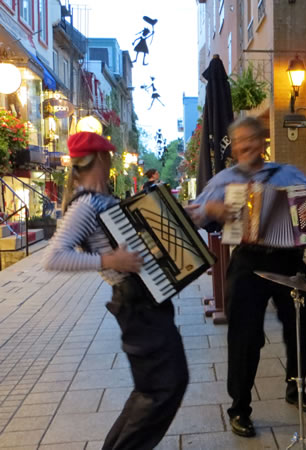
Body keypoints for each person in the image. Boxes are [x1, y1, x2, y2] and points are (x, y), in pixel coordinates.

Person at [186, 116, 306, 438]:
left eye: (251, 139)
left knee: (301, 325)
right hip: (248, 262)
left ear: (262, 141)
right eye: (239, 141)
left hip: (289, 259)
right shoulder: (223, 180)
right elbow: (193, 213)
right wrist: (211, 210)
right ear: (234, 147)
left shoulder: (287, 173)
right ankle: (239, 407)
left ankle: (296, 387)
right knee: (244, 337)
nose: (246, 146)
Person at [42, 132, 189, 449]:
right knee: (163, 388)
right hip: (135, 305)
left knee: (152, 389)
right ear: (99, 158)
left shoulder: (103, 199)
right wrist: (110, 259)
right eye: (107, 155)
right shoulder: (86, 204)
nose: (111, 161)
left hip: (146, 303)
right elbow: (54, 257)